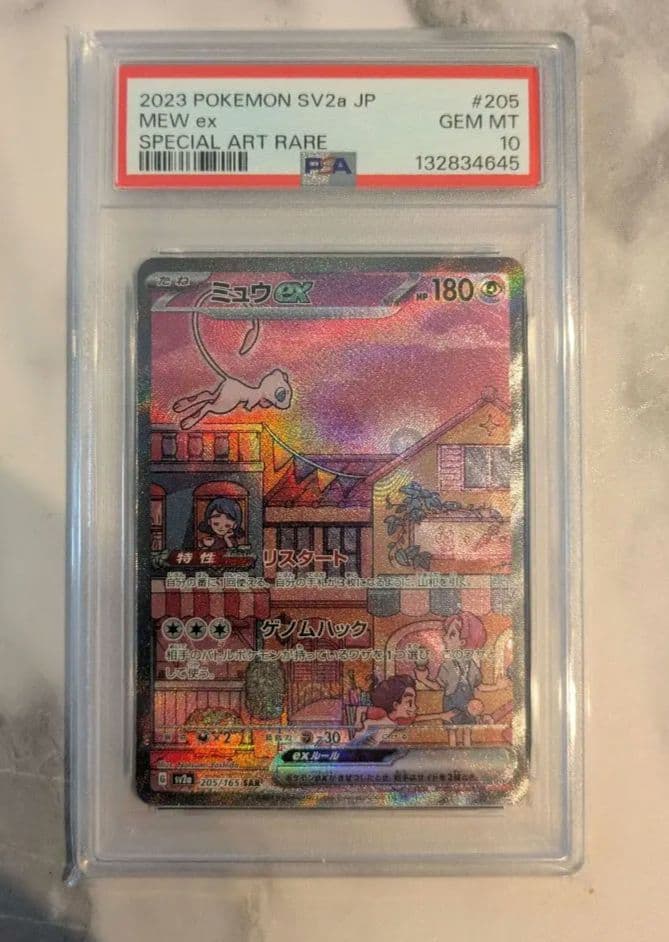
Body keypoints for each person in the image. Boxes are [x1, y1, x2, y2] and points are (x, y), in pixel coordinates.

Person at [415, 612, 488, 725]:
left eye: (451, 635)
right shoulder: (447, 665)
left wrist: (498, 686)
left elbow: (479, 686)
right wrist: (423, 679)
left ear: (462, 642)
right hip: (451, 706)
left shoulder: (471, 665)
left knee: (467, 728)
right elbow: (438, 686)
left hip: (469, 707)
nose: (444, 638)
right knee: (452, 729)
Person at [350, 674, 457, 746]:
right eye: (409, 702)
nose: (415, 707)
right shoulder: (380, 713)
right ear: (396, 705)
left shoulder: (400, 720)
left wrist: (441, 716)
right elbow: (360, 709)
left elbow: (418, 718)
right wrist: (358, 722)